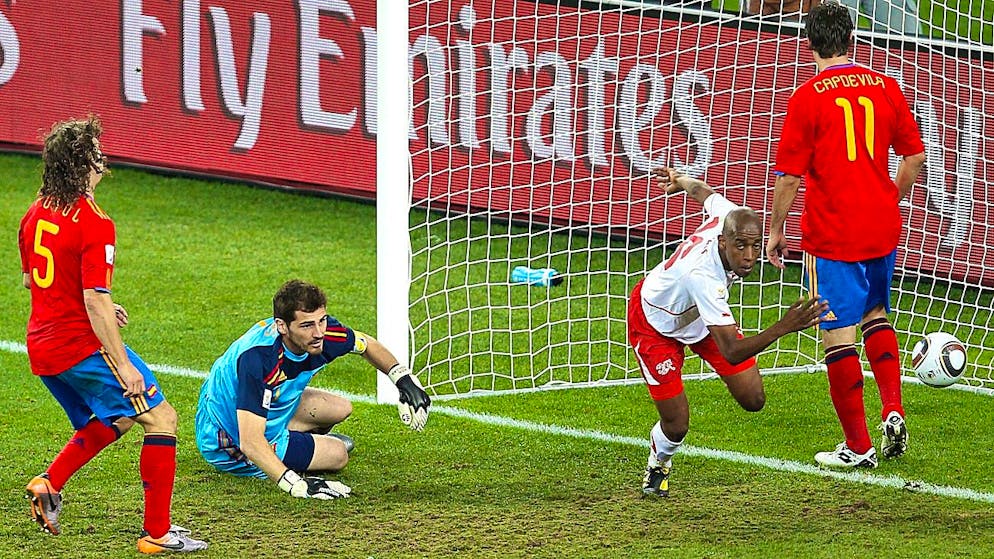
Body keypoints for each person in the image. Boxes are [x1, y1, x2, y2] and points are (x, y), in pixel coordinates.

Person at [17, 115, 208, 553]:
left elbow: (35, 282)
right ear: (84, 162)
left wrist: (99, 302)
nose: (104, 158)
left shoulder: (36, 211)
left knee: (116, 417)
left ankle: (49, 483)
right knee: (162, 418)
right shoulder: (95, 221)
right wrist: (124, 365)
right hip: (79, 346)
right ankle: (158, 535)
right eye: (97, 151)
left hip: (43, 348)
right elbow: (93, 300)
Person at [767, 1, 926, 469]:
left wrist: (776, 230)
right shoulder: (886, 85)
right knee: (877, 312)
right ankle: (893, 408)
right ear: (853, 40)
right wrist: (886, 198)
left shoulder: (808, 96)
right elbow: (915, 159)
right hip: (881, 228)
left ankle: (858, 448)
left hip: (833, 234)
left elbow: (790, 177)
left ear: (810, 43)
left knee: (838, 336)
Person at [631, 167, 827, 497]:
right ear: (723, 242)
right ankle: (658, 464)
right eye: (740, 247)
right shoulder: (703, 276)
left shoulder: (728, 215)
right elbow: (732, 351)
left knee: (753, 399)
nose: (749, 257)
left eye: (754, 245)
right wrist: (784, 326)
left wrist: (680, 180)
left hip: (698, 317)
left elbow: (704, 193)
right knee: (677, 424)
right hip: (655, 323)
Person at [195, 279, 431, 499]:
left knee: (340, 408)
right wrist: (295, 483)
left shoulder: (323, 334)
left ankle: (295, 443)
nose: (318, 333)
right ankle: (290, 448)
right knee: (338, 455)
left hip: (261, 407)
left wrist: (403, 380)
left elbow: (366, 345)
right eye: (307, 325)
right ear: (282, 326)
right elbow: (250, 442)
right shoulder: (259, 360)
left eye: (322, 320)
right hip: (227, 437)